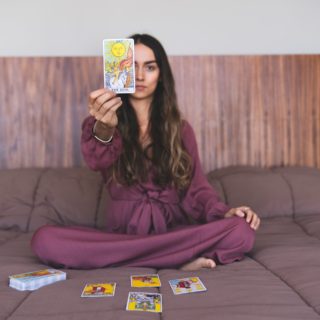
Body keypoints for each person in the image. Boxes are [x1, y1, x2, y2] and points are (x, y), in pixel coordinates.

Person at [31, 34, 260, 271]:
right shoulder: (101, 123)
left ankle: (139, 260)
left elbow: (197, 189)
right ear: (119, 70)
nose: (140, 76)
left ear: (161, 75)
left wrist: (225, 212)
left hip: (173, 235)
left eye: (149, 67)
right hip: (122, 238)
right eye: (131, 66)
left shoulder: (181, 129)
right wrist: (105, 127)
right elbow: (96, 160)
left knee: (242, 231)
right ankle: (177, 261)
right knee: (44, 240)